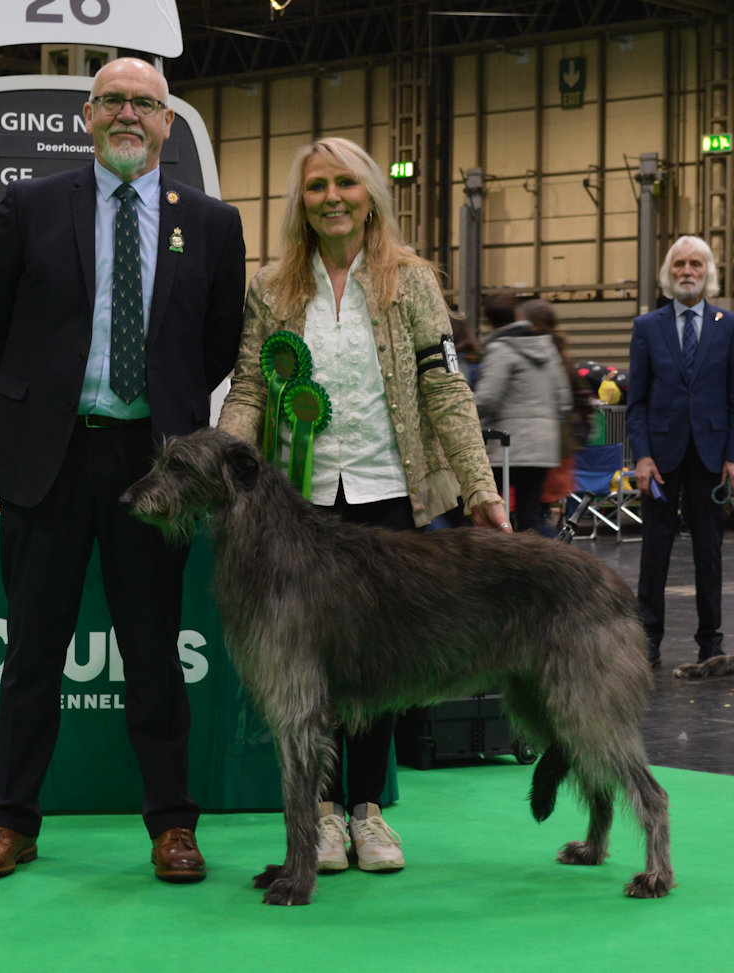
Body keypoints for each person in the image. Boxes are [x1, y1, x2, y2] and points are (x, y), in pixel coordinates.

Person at [0, 57, 246, 883]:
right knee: (31, 653)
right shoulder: (33, 204)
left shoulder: (214, 224)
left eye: (144, 104)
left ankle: (172, 826)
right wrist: (39, 390)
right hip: (46, 457)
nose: (128, 113)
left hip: (152, 466)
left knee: (156, 652)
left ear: (167, 122)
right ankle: (8, 822)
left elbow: (217, 342)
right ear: (87, 116)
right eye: (113, 100)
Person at [217, 136, 508, 876]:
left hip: (388, 495)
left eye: (346, 183)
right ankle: (319, 815)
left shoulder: (410, 282)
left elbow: (444, 387)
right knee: (307, 669)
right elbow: (251, 386)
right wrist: (226, 465)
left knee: (378, 663)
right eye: (317, 186)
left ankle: (368, 809)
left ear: (371, 193)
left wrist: (480, 489)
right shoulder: (271, 286)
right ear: (300, 200)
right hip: (297, 509)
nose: (332, 198)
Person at [625, 235, 734, 668]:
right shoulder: (647, 326)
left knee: (709, 551)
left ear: (707, 272)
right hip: (658, 457)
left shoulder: (728, 325)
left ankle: (711, 640)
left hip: (712, 455)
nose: (687, 272)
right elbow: (635, 401)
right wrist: (641, 456)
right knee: (654, 549)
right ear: (668, 273)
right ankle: (649, 637)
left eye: (696, 264)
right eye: (679, 265)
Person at [474, 292, 571, 533]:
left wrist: (463, 417)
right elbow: (564, 401)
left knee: (490, 515)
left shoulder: (500, 348)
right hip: (542, 448)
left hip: (507, 447)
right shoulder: (547, 347)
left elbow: (487, 399)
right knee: (530, 519)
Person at [518, 299, 593, 533]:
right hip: (552, 450)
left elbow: (579, 400)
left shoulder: (547, 359)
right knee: (536, 514)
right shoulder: (560, 358)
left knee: (535, 516)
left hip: (546, 452)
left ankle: (554, 562)